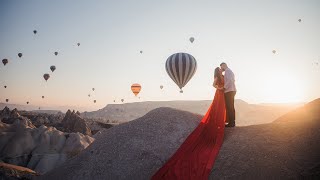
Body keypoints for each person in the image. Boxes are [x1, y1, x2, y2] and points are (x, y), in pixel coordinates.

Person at [152, 67, 226, 179]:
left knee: (221, 107)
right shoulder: (217, 77)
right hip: (219, 92)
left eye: (221, 70)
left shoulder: (223, 76)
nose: (221, 71)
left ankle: (221, 120)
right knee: (217, 107)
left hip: (222, 93)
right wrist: (219, 87)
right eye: (219, 70)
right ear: (217, 72)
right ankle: (216, 121)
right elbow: (213, 85)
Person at [220, 62, 237, 127]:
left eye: (221, 67)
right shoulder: (230, 71)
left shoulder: (227, 71)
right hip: (232, 90)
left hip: (229, 91)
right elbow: (233, 80)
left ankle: (231, 123)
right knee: (230, 106)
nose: (221, 68)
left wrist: (224, 87)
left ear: (224, 65)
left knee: (230, 107)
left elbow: (230, 80)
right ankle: (232, 122)